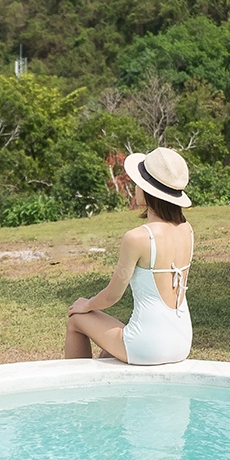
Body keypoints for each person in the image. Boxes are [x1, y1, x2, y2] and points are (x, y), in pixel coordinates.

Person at [65, 147, 194, 365]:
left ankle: (78, 395)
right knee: (109, 350)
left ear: (148, 190)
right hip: (182, 341)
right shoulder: (187, 229)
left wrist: (85, 305)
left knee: (76, 320)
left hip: (149, 346)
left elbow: (112, 296)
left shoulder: (138, 237)